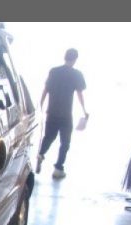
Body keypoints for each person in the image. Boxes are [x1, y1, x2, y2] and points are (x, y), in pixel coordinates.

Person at [37, 48, 88, 179]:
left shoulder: (54, 71)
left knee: (49, 137)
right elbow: (80, 94)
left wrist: (40, 106)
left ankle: (41, 154)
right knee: (65, 143)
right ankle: (58, 168)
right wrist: (84, 111)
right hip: (66, 115)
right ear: (75, 59)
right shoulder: (76, 74)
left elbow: (45, 90)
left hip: (52, 112)